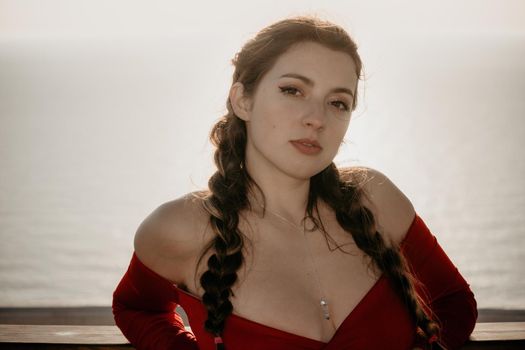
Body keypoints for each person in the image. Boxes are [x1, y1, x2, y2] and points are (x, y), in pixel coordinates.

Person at [112, 15, 477, 350]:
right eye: (293, 90)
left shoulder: (375, 200)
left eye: (338, 102)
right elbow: (135, 307)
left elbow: (453, 301)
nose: (316, 118)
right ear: (243, 100)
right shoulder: (180, 228)